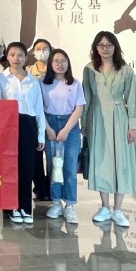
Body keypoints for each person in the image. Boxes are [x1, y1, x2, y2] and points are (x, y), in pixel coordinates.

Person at [82, 31, 136, 228]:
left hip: (119, 118)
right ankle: (104, 207)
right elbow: (86, 96)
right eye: (101, 45)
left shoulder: (125, 70)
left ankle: (118, 209)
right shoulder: (89, 69)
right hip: (96, 118)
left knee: (120, 162)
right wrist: (84, 122)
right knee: (101, 161)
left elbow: (132, 99)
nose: (105, 48)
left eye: (109, 45)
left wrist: (132, 126)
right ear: (95, 47)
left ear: (115, 47)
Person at [0, 42, 46, 225]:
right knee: (10, 168)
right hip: (9, 125)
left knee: (27, 168)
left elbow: (39, 109)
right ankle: (12, 207)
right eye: (12, 55)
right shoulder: (1, 78)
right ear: (7, 57)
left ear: (25, 58)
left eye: (20, 55)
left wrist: (41, 134)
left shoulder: (33, 81)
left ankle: (25, 207)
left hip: (29, 125)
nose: (16, 58)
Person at [41, 49, 85, 225]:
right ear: (50, 64)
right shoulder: (42, 83)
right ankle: (56, 203)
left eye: (63, 61)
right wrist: (48, 128)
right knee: (53, 167)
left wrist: (66, 130)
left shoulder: (75, 84)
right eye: (56, 61)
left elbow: (79, 109)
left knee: (69, 167)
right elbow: (39, 108)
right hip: (50, 124)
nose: (60, 64)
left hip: (70, 127)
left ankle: (70, 205)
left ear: (68, 63)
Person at [27, 37, 53, 201]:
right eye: (38, 49)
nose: (41, 52)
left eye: (45, 49)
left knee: (52, 156)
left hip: (52, 116)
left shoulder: (55, 69)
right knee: (37, 155)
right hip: (35, 116)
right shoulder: (28, 71)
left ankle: (51, 187)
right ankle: (40, 187)